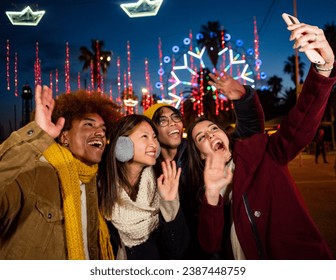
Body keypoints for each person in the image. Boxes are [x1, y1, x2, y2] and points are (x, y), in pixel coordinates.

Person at [186, 22, 335, 259]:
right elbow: (210, 244)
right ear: (201, 154)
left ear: (226, 134)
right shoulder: (206, 193)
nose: (211, 134)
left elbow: (300, 125)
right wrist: (212, 194)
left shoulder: (264, 155)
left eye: (214, 128)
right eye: (201, 137)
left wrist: (323, 68)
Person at [143, 83, 264, 259]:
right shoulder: (149, 169)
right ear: (152, 130)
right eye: (162, 120)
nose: (173, 123)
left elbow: (248, 134)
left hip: (215, 250)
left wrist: (244, 100)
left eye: (176, 117)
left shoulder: (201, 150)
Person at [0, 85, 120, 260]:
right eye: (89, 124)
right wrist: (35, 137)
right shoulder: (34, 173)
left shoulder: (96, 184)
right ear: (64, 137)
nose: (100, 133)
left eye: (103, 129)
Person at [98, 114, 189, 259]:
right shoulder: (100, 187)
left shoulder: (164, 182)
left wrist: (169, 203)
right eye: (145, 137)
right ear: (122, 144)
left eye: (154, 137)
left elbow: (178, 251)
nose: (154, 143)